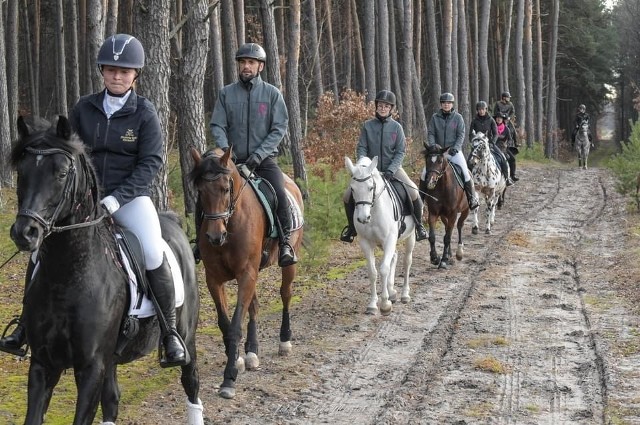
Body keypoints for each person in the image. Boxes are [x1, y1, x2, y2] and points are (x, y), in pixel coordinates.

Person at [0, 34, 188, 368]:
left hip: (129, 198)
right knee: (43, 247)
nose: (117, 76)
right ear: (102, 71)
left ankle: (170, 333)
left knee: (151, 249)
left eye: (125, 71)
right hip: (82, 201)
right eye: (111, 70)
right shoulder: (84, 108)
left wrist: (118, 199)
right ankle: (25, 327)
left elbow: (151, 163)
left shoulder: (144, 114)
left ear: (136, 76)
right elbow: (67, 156)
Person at [207, 42, 296, 267]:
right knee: (209, 192)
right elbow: (217, 124)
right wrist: (227, 153)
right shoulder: (226, 94)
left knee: (279, 193)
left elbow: (279, 128)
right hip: (232, 161)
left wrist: (258, 156)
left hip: (263, 161)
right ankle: (201, 244)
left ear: (260, 66)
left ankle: (285, 243)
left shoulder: (272, 94)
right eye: (243, 62)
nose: (246, 66)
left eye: (251, 62)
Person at [340, 90, 428, 243]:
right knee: (347, 196)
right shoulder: (367, 126)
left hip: (392, 170)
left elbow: (400, 152)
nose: (383, 108)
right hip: (369, 171)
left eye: (386, 106)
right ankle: (351, 229)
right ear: (376, 106)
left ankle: (419, 226)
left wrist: (391, 170)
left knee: (414, 191)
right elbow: (362, 148)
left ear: (391, 108)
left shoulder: (397, 128)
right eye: (380, 105)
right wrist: (364, 165)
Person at [426, 92, 479, 210]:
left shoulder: (458, 118)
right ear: (441, 104)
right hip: (438, 153)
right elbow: (431, 133)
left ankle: (472, 198)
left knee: (466, 173)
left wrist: (455, 147)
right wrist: (433, 146)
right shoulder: (435, 118)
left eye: (448, 103)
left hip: (453, 152)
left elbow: (461, 134)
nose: (446, 105)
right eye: (444, 103)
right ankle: (422, 199)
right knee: (425, 173)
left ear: (452, 104)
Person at [468, 101, 514, 186]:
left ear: (486, 109)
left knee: (502, 157)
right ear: (477, 110)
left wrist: (492, 142)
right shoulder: (474, 121)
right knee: (469, 160)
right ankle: (468, 181)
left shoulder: (491, 120)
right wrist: (473, 141)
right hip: (477, 145)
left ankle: (507, 178)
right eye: (479, 109)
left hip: (489, 144)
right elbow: (470, 134)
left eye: (483, 109)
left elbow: (496, 133)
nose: (481, 111)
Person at [494, 112, 519, 182]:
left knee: (512, 159)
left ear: (502, 119)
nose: (499, 119)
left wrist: (507, 144)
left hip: (503, 148)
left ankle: (512, 175)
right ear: (495, 119)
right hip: (493, 147)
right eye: (497, 118)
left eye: (500, 118)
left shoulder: (506, 129)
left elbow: (510, 139)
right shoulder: (492, 127)